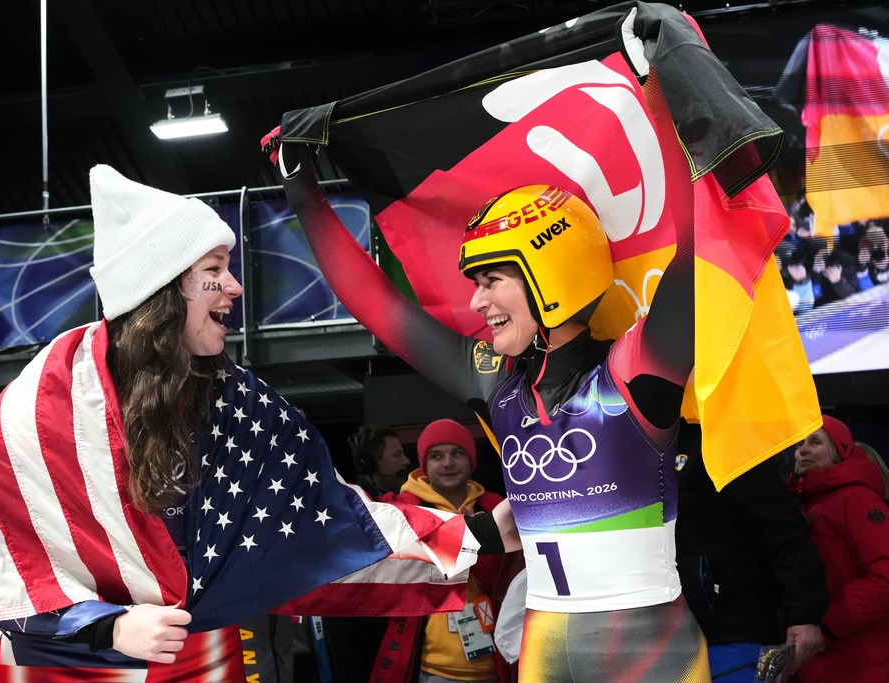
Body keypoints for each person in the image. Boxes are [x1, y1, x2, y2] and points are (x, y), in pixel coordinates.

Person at [0, 165, 477, 683]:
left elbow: (325, 517)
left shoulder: (230, 399)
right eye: (216, 267)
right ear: (163, 289)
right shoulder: (36, 414)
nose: (237, 286)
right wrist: (105, 629)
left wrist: (472, 532)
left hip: (210, 658)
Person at [281, 148, 709, 679]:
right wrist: (301, 188)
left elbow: (698, 251)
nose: (477, 303)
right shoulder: (498, 381)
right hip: (544, 644)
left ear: (550, 274)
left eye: (491, 281)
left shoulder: (634, 370)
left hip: (650, 646)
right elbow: (378, 306)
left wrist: (666, 93)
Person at [673, 421, 827, 681]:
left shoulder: (725, 440)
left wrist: (805, 612)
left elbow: (780, 525)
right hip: (665, 633)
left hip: (734, 627)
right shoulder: (644, 447)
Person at [376, 419, 517, 683]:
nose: (448, 463)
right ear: (424, 465)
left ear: (471, 460)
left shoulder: (497, 508)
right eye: (436, 456)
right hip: (429, 668)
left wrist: (474, 538)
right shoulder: (403, 512)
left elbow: (508, 584)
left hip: (494, 663)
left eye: (457, 453)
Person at [789, 415, 889, 683]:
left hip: (862, 663)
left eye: (815, 442)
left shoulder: (857, 499)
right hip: (825, 662)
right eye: (799, 443)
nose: (803, 449)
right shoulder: (806, 506)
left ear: (839, 452)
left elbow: (885, 577)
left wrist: (825, 628)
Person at [348, 423, 412, 499]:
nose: (407, 461)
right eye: (397, 455)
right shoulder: (359, 506)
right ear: (370, 463)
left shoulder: (413, 495)